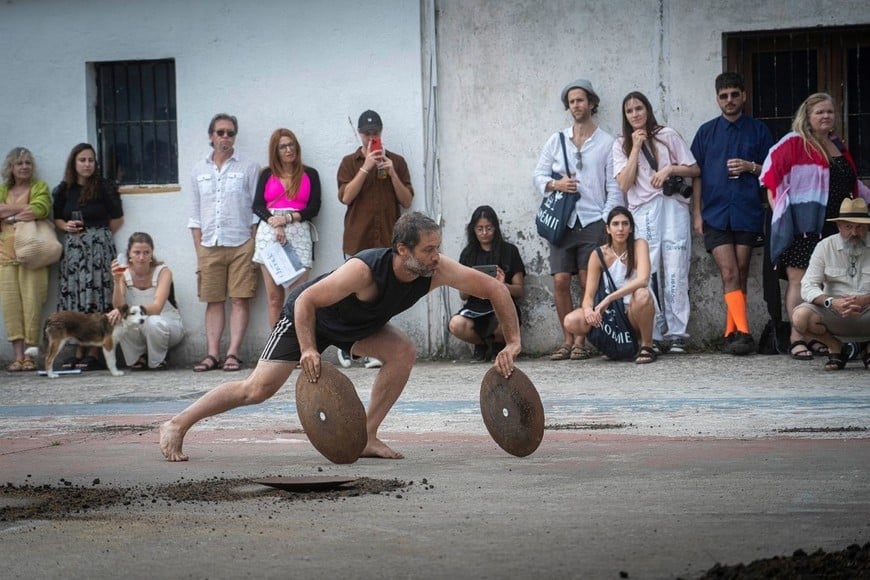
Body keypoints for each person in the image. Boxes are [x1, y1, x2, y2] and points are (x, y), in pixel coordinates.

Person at [159, 212, 521, 462]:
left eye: (437, 247)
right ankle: (177, 424)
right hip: (309, 318)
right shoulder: (363, 271)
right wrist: (308, 349)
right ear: (402, 250)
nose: (435, 256)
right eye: (428, 250)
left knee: (402, 352)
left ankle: (366, 436)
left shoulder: (436, 270)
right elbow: (305, 300)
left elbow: (495, 289)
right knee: (257, 389)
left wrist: (513, 342)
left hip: (357, 327)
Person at [760, 92, 870, 362]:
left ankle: (821, 336)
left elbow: (852, 183)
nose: (826, 116)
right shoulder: (794, 143)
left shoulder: (837, 145)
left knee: (828, 281)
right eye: (819, 112)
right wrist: (783, 216)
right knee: (799, 281)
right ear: (807, 116)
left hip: (838, 225)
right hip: (804, 225)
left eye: (830, 112)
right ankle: (798, 338)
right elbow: (769, 176)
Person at [533, 78, 623, 361]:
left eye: (581, 100)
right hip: (563, 223)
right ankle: (566, 338)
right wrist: (556, 185)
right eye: (571, 101)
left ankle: (581, 341)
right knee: (560, 281)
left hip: (593, 221)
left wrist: (605, 220)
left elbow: (614, 187)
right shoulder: (556, 140)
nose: (576, 105)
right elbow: (538, 175)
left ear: (592, 103)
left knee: (588, 281)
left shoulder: (607, 142)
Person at [690, 72, 774, 356]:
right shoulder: (706, 132)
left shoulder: (759, 130)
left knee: (739, 273)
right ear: (717, 99)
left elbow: (772, 172)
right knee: (728, 272)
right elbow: (697, 175)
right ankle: (745, 332)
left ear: (744, 96)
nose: (729, 100)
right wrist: (697, 214)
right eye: (724, 96)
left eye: (734, 95)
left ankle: (731, 333)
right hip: (714, 212)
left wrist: (750, 167)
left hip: (747, 210)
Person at [612, 91, 699, 353]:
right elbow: (624, 184)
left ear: (647, 110)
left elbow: (694, 169)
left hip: (672, 206)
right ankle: (654, 332)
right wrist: (636, 147)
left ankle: (677, 333)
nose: (635, 114)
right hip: (642, 210)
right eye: (630, 111)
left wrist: (670, 169)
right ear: (625, 116)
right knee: (645, 272)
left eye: (639, 108)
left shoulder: (667, 135)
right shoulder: (620, 144)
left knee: (675, 266)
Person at [335, 109, 414, 369]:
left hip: (388, 244)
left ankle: (373, 350)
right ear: (359, 133)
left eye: (376, 133)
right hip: (358, 241)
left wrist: (391, 173)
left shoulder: (397, 162)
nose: (371, 138)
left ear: (382, 132)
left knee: (380, 299)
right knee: (351, 298)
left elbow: (406, 200)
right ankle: (345, 346)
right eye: (367, 133)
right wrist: (367, 167)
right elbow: (346, 197)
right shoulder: (350, 162)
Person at [188, 113, 260, 373]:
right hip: (209, 244)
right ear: (211, 136)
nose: (225, 137)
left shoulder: (249, 167)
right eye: (220, 132)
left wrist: (252, 242)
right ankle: (212, 354)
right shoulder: (199, 170)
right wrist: (199, 249)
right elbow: (195, 214)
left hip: (241, 242)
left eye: (230, 133)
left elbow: (256, 209)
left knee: (240, 299)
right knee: (213, 300)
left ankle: (233, 354)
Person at [53, 143, 124, 370]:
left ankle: (94, 351)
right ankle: (77, 350)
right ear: (74, 163)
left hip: (98, 251)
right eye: (82, 160)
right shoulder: (64, 190)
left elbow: (117, 219)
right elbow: (56, 218)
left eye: (91, 160)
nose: (87, 164)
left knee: (97, 297)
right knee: (75, 299)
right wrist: (66, 226)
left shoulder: (104, 187)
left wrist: (96, 237)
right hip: (74, 253)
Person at [563, 207, 656, 364]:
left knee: (642, 294)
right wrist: (588, 311)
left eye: (625, 224)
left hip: (634, 311)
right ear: (608, 228)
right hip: (611, 316)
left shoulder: (639, 245)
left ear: (631, 227)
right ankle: (611, 346)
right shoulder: (598, 254)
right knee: (571, 320)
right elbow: (589, 296)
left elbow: (643, 280)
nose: (620, 229)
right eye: (615, 224)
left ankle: (646, 345)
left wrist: (609, 299)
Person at [252, 128, 322, 327]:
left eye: (291, 145)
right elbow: (257, 205)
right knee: (274, 298)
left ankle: (299, 347)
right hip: (269, 233)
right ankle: (274, 351)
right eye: (283, 146)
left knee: (299, 298)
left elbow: (314, 207)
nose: (289, 150)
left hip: (299, 231)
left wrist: (288, 219)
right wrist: (275, 222)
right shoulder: (267, 174)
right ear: (276, 150)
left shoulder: (310, 174)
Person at [791, 198, 870, 370]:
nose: (854, 233)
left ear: (867, 227)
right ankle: (835, 347)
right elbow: (808, 285)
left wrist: (866, 299)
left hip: (867, 310)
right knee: (800, 317)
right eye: (848, 226)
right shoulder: (825, 246)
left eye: (860, 227)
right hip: (835, 311)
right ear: (839, 226)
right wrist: (831, 302)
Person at [448, 205, 525, 362]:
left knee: (503, 318)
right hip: (475, 309)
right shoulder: (468, 254)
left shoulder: (509, 251)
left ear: (495, 228)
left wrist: (503, 286)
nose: (484, 233)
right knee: (456, 324)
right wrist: (472, 282)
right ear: (473, 230)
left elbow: (520, 290)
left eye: (488, 228)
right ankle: (483, 345)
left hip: (501, 306)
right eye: (479, 229)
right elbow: (463, 295)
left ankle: (499, 345)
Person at [0, 147, 52, 371]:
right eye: (19, 163)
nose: (24, 167)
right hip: (5, 255)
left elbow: (40, 209)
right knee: (11, 306)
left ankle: (30, 356)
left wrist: (8, 214)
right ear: (11, 167)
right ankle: (17, 356)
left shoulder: (39, 187)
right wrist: (23, 210)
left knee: (33, 305)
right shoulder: (3, 189)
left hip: (33, 254)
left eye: (28, 163)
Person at [108, 232, 183, 370]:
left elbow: (157, 308)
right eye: (137, 252)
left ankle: (158, 360)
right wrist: (116, 281)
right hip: (139, 324)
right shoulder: (124, 273)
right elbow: (118, 306)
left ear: (151, 253)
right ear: (129, 254)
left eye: (146, 252)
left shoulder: (163, 272)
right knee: (119, 319)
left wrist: (128, 310)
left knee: (152, 321)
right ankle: (137, 358)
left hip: (167, 323)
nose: (141, 257)